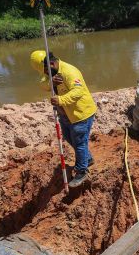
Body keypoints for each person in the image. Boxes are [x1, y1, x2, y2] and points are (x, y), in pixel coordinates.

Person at [30, 50, 97, 188]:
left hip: (80, 114)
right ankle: (87, 158)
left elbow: (79, 91)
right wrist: (51, 82)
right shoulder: (51, 72)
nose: (46, 75)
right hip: (66, 115)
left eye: (47, 72)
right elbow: (42, 84)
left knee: (79, 142)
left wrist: (61, 100)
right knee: (70, 138)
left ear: (52, 63)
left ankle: (82, 171)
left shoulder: (70, 72)